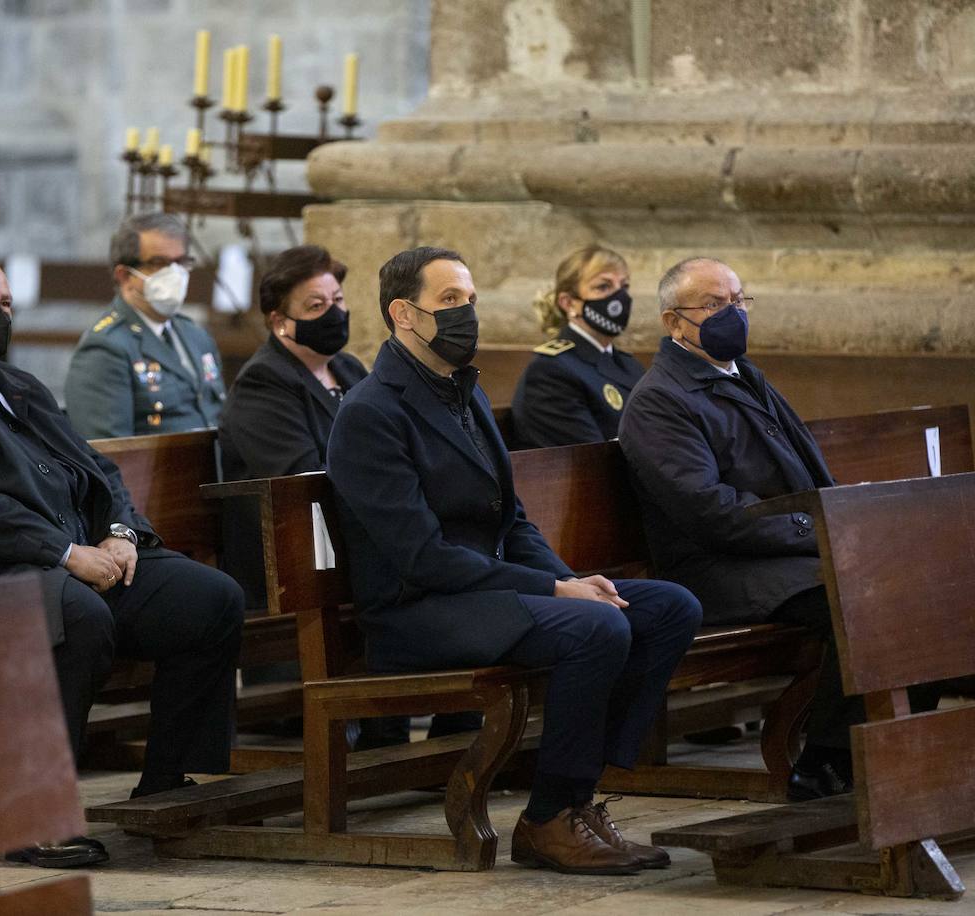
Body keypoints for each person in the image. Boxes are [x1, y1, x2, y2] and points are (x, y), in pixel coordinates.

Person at [0, 247, 244, 868]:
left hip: (57, 560)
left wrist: (120, 533)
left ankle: (166, 779)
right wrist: (65, 554)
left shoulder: (16, 384)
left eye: (5, 304)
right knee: (77, 616)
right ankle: (28, 816)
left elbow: (98, 471)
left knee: (210, 599)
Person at [327, 246, 702, 875]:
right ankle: (549, 817)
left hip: (488, 596)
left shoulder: (461, 393)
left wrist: (569, 578)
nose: (467, 313)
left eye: (470, 300)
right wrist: (556, 594)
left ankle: (580, 794)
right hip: (418, 611)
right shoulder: (371, 411)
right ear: (403, 313)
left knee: (666, 608)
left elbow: (512, 521)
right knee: (596, 626)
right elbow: (423, 558)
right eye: (450, 301)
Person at [617, 256, 860, 801]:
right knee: (862, 600)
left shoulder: (745, 376)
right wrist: (811, 527)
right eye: (714, 305)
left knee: (912, 586)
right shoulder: (659, 401)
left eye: (739, 301)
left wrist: (849, 523)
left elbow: (811, 473)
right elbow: (713, 514)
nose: (733, 314)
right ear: (673, 322)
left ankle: (886, 751)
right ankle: (828, 763)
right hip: (719, 571)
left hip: (784, 556)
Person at [65, 213, 226, 438]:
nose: (175, 274)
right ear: (124, 276)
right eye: (159, 263)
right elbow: (109, 455)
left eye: (181, 262)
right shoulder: (106, 347)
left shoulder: (196, 336)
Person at [219, 245, 365, 481]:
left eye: (337, 299)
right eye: (316, 305)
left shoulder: (349, 368)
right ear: (279, 322)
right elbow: (301, 477)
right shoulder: (263, 381)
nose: (334, 313)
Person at [511, 246, 645, 448]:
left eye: (623, 287)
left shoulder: (629, 364)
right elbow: (592, 460)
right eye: (603, 287)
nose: (619, 298)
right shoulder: (551, 372)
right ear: (568, 303)